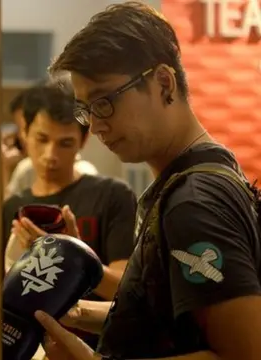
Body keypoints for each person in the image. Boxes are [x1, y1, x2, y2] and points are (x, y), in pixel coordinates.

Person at [33, 2, 261, 360]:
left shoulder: (193, 201)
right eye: (85, 109)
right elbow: (167, 315)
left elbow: (243, 355)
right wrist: (73, 311)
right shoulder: (198, 173)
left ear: (164, 83)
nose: (94, 125)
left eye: (104, 102)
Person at [2, 77, 137, 353]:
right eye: (41, 139)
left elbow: (128, 293)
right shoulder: (12, 207)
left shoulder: (113, 196)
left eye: (64, 143)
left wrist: (75, 257)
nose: (50, 155)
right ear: (24, 133)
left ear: (83, 140)